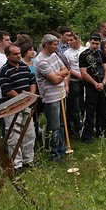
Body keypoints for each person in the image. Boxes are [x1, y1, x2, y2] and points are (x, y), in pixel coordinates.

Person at [0, 43, 37, 171]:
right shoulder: (3, 71)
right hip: (12, 106)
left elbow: (32, 81)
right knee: (14, 136)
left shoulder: (24, 66)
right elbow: (7, 90)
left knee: (29, 133)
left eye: (19, 53)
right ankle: (17, 164)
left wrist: (31, 97)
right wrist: (22, 99)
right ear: (7, 56)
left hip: (26, 104)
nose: (18, 56)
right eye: (15, 54)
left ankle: (28, 160)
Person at [34, 34, 70, 162]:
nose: (57, 46)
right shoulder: (41, 61)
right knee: (53, 126)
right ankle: (53, 152)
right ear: (46, 45)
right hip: (51, 97)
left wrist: (57, 74)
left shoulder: (54, 55)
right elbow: (54, 80)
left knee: (61, 123)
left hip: (61, 93)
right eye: (55, 44)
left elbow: (66, 70)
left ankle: (61, 147)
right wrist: (59, 75)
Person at [79, 34, 106, 143]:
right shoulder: (83, 55)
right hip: (90, 86)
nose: (95, 45)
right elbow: (83, 72)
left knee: (103, 108)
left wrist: (103, 82)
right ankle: (87, 134)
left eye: (97, 43)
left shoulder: (101, 54)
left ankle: (101, 130)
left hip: (102, 85)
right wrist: (95, 83)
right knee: (89, 110)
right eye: (93, 43)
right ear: (89, 42)